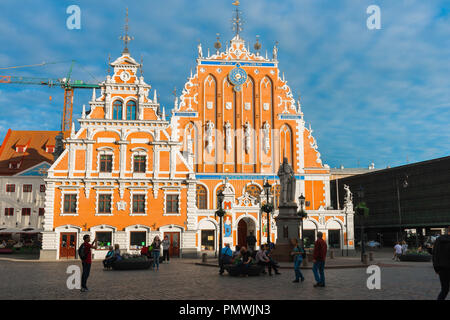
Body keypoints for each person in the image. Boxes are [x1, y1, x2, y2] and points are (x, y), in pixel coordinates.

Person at [432, 227, 450, 300]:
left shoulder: (439, 239)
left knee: (444, 289)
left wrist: (436, 268)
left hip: (442, 268)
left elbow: (435, 254)